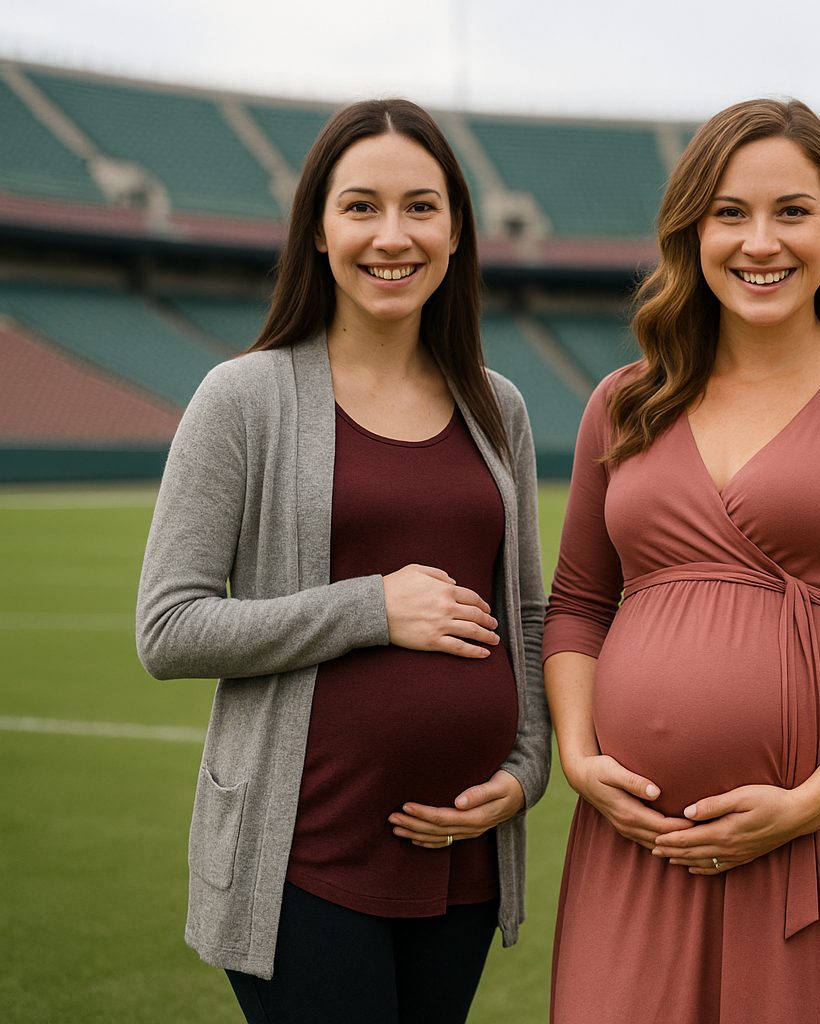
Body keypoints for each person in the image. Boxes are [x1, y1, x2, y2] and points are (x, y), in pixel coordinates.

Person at [542, 98, 820, 1022]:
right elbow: (577, 603)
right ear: (692, 230)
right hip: (635, 839)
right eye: (730, 213)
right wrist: (580, 759)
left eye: (791, 211)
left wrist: (812, 800)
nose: (759, 242)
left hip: (817, 840)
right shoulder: (624, 402)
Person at [135, 98, 550, 1024]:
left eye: (420, 207)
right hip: (303, 855)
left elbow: (524, 615)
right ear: (318, 232)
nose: (391, 235)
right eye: (360, 206)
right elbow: (168, 627)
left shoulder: (500, 407)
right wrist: (371, 607)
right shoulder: (243, 398)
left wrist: (524, 772)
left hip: (464, 858)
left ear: (456, 234)